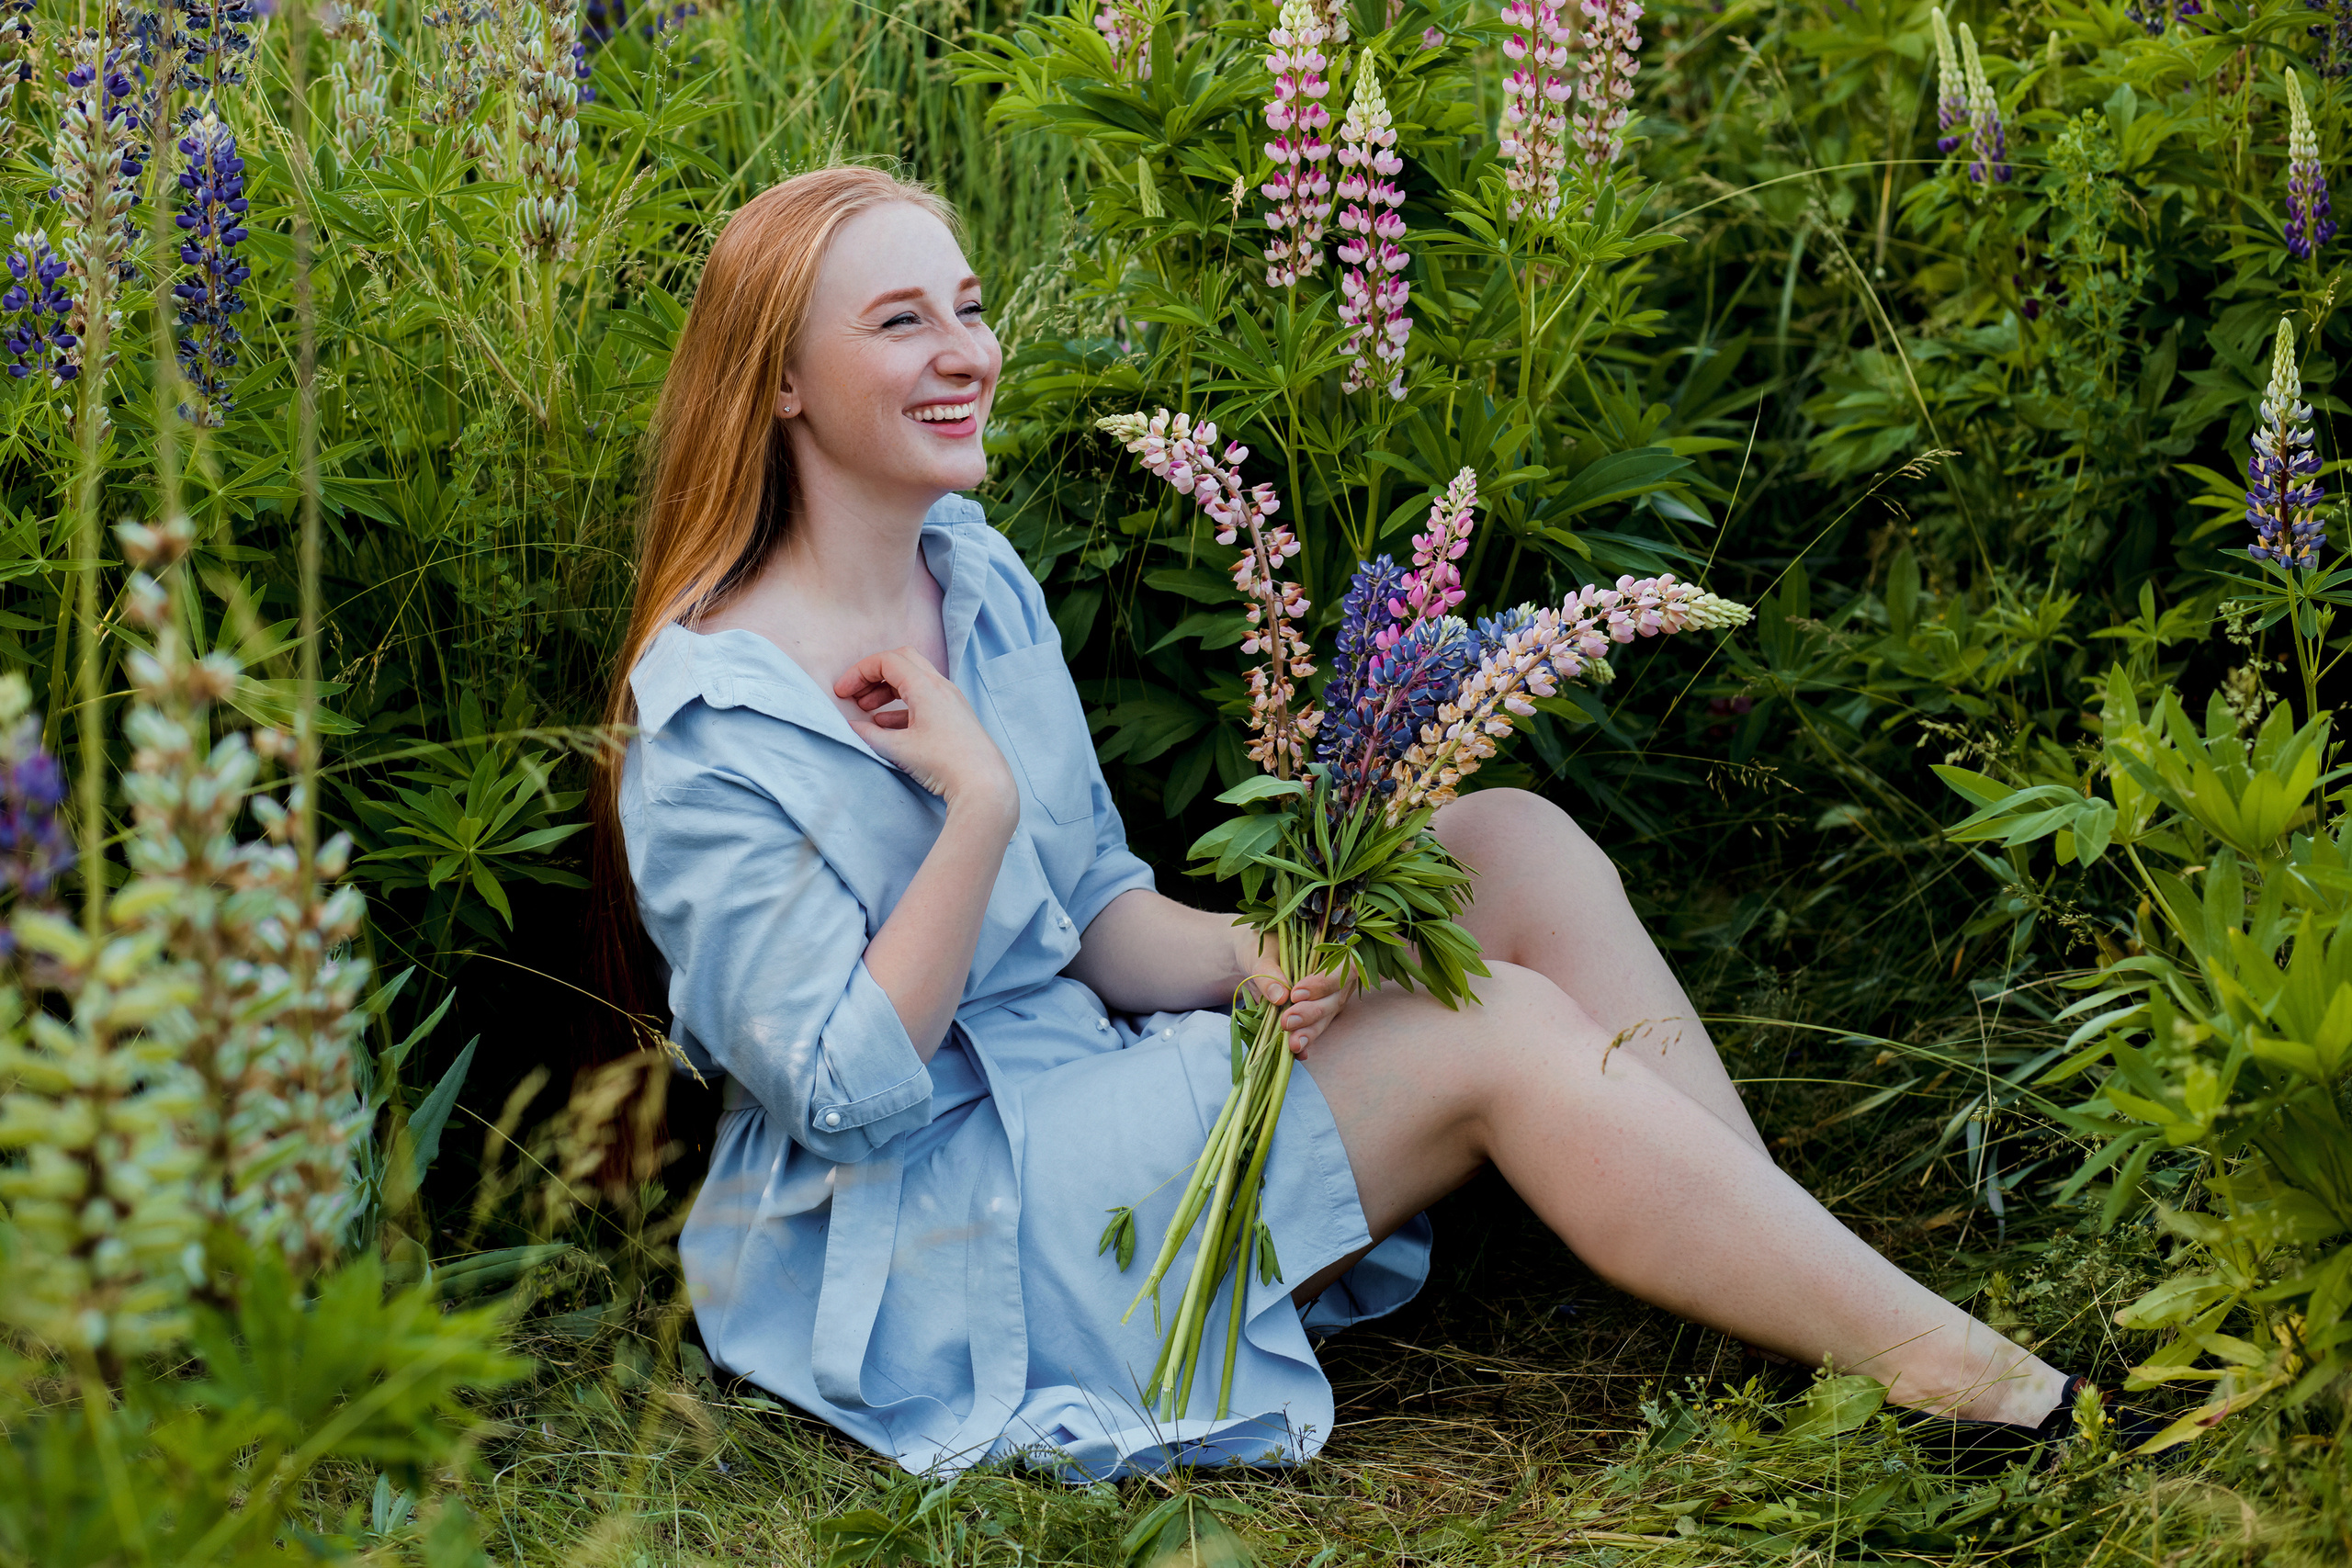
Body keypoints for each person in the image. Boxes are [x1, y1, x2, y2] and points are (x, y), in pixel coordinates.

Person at [592, 165, 2100, 1481]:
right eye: (900, 321)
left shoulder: (970, 573)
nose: (967, 353)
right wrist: (973, 802)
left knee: (1504, 838)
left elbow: (1101, 917)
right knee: (1493, 1026)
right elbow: (846, 1098)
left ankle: (1775, 1263)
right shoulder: (711, 723)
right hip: (949, 1224)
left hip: (1085, 1091)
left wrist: (1250, 952)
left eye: (970, 307)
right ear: (779, 381)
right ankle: (1963, 1383)